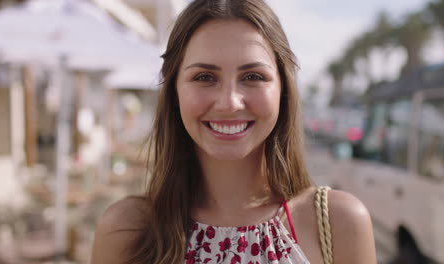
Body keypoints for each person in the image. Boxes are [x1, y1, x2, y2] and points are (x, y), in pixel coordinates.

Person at [90, 0, 377, 263]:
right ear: (175, 90)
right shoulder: (126, 229)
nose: (229, 103)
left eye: (253, 77)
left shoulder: (339, 223)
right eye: (204, 77)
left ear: (283, 90)